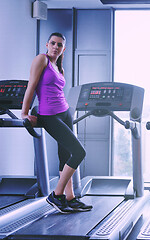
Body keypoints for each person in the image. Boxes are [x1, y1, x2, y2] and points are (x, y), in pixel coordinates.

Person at [21, 32, 92, 214]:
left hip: (65, 113)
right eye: (53, 43)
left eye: (59, 45)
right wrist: (24, 112)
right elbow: (31, 86)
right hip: (49, 115)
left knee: (65, 156)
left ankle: (70, 198)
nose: (55, 47)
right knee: (79, 152)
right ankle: (57, 195)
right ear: (47, 44)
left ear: (63, 49)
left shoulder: (59, 68)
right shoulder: (41, 60)